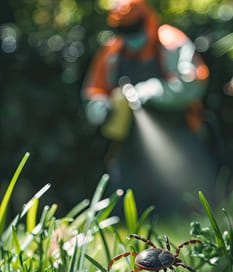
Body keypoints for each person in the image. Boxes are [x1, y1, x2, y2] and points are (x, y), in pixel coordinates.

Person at [81, 0, 218, 216]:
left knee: (190, 209)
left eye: (134, 28)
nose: (131, 36)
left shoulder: (170, 41)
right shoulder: (113, 52)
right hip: (129, 146)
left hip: (181, 136)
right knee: (126, 211)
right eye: (124, 30)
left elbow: (194, 82)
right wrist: (101, 107)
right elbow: (93, 90)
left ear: (147, 20)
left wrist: (153, 91)